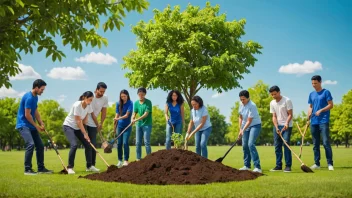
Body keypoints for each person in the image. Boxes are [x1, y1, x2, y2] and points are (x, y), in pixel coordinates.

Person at [16, 79, 53, 175]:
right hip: (23, 125)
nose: (42, 91)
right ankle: (27, 169)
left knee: (40, 146)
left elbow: (35, 111)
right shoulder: (28, 97)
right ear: (36, 88)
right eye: (42, 89)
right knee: (30, 144)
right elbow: (27, 115)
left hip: (31, 125)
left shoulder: (35, 97)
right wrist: (36, 126)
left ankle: (41, 168)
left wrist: (41, 122)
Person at [63, 91, 98, 174]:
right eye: (89, 99)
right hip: (69, 126)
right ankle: (70, 168)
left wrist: (85, 133)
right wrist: (85, 134)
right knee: (74, 145)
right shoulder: (77, 105)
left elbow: (84, 121)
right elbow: (78, 121)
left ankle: (89, 166)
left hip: (78, 128)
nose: (90, 102)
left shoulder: (89, 106)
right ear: (84, 98)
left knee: (88, 144)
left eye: (92, 100)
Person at [307, 75, 334, 171]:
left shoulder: (326, 92)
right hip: (314, 121)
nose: (314, 85)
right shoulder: (311, 94)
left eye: (315, 83)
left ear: (320, 82)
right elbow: (310, 106)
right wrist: (309, 114)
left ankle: (330, 163)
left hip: (323, 121)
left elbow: (331, 105)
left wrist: (321, 110)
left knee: (326, 142)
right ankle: (317, 163)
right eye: (312, 83)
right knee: (315, 144)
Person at [269, 86, 293, 173]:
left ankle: (288, 166)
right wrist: (276, 127)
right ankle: (278, 165)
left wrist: (286, 123)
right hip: (277, 126)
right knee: (277, 146)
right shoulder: (272, 103)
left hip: (287, 125)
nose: (273, 96)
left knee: (286, 143)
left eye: (275, 94)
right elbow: (274, 116)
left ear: (279, 92)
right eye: (272, 95)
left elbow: (290, 114)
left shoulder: (287, 100)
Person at [85, 82, 108, 172]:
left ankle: (92, 165)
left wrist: (101, 123)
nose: (102, 93)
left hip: (94, 124)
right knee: (88, 144)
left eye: (104, 91)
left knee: (93, 144)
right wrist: (97, 123)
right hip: (85, 121)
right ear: (96, 90)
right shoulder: (91, 97)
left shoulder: (105, 98)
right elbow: (92, 113)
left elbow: (104, 112)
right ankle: (88, 166)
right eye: (101, 91)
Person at [238, 90, 262, 173]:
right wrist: (240, 129)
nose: (242, 101)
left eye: (244, 99)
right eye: (241, 99)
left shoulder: (252, 105)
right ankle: (247, 166)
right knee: (245, 145)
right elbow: (240, 117)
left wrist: (243, 129)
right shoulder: (241, 104)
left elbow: (249, 120)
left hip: (255, 125)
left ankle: (257, 167)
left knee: (250, 144)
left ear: (248, 98)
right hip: (245, 126)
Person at [131, 88, 152, 160]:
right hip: (139, 125)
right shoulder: (136, 103)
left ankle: (149, 158)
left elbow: (146, 114)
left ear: (145, 94)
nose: (141, 96)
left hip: (147, 124)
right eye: (139, 94)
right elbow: (135, 112)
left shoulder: (148, 102)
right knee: (138, 142)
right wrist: (132, 118)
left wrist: (136, 119)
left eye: (142, 94)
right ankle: (138, 158)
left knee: (147, 142)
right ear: (137, 94)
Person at [114, 89, 133, 167]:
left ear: (127, 95)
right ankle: (119, 160)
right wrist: (114, 127)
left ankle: (126, 160)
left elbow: (127, 115)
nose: (123, 98)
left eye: (124, 96)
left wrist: (117, 119)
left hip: (127, 126)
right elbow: (117, 115)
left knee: (125, 143)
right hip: (120, 126)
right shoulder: (118, 103)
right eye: (122, 96)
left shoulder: (130, 103)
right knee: (119, 144)